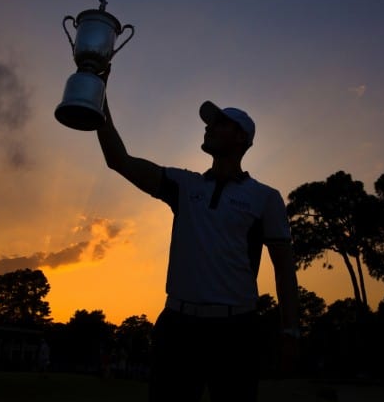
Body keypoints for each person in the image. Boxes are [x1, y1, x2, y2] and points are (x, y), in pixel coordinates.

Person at [96, 88, 300, 401]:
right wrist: (98, 95)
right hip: (178, 328)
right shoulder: (184, 184)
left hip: (236, 332)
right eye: (210, 123)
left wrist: (290, 331)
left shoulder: (266, 198)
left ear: (241, 137)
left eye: (220, 123)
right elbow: (118, 160)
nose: (209, 127)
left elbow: (284, 268)